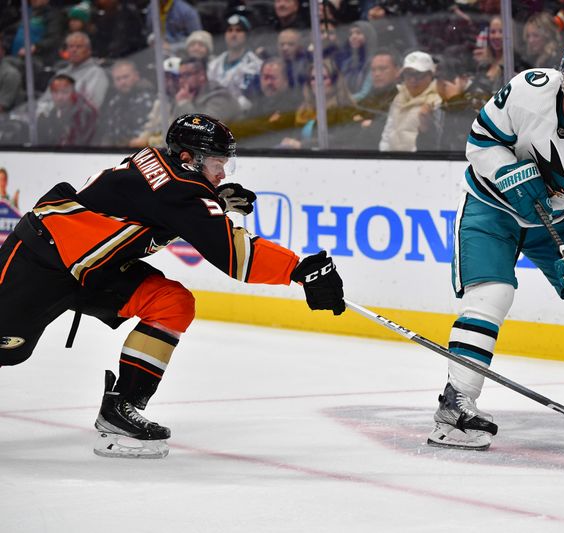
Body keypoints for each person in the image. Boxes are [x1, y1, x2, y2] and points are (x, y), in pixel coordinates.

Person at [0, 113, 346, 459]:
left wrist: (213, 201)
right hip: (39, 263)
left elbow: (156, 206)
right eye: (215, 164)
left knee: (171, 303)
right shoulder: (179, 190)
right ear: (187, 159)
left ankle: (121, 409)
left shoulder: (163, 169)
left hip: (95, 268)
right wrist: (301, 270)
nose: (222, 173)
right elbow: (237, 257)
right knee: (7, 351)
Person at [428, 31, 564, 450]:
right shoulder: (529, 89)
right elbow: (481, 142)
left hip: (555, 219)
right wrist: (510, 173)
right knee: (492, 293)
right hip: (490, 205)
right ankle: (457, 404)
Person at [379, 50, 441, 152]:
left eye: (419, 75)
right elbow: (387, 133)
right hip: (389, 159)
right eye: (408, 74)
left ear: (430, 75)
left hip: (417, 160)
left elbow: (436, 141)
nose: (413, 80)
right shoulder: (398, 96)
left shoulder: (437, 101)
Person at [207, 14, 263, 113]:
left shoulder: (255, 64)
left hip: (239, 116)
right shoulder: (214, 64)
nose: (233, 34)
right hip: (212, 111)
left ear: (246, 35)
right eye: (230, 30)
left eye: (238, 30)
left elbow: (249, 99)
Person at [97, 60, 155, 147]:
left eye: (125, 77)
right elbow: (108, 133)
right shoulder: (114, 103)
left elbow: (148, 135)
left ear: (136, 76)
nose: (122, 82)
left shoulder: (151, 100)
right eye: (118, 79)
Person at [36, 73, 98, 146]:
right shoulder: (50, 113)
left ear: (73, 93)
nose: (59, 97)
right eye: (55, 92)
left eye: (64, 92)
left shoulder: (84, 113)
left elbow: (79, 144)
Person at [174, 58, 241, 123]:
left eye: (186, 75)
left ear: (202, 76)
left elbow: (204, 128)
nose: (181, 80)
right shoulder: (188, 96)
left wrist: (184, 103)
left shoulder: (220, 97)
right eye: (180, 76)